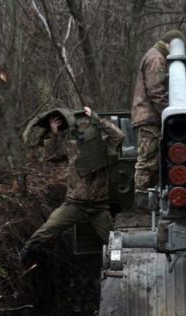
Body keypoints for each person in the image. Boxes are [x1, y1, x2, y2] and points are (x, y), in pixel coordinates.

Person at [20, 106, 125, 260]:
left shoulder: (104, 147)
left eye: (86, 128)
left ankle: (117, 264)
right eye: (80, 129)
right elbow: (52, 156)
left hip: (98, 207)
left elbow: (119, 136)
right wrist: (54, 134)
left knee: (113, 243)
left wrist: (99, 120)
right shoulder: (73, 148)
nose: (83, 132)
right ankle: (25, 252)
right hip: (74, 204)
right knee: (48, 229)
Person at [131, 29, 184, 211]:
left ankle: (146, 200)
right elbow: (156, 92)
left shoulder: (155, 55)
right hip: (149, 118)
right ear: (170, 44)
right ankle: (141, 200)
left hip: (149, 116)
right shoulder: (157, 58)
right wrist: (172, 114)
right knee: (148, 159)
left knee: (152, 159)